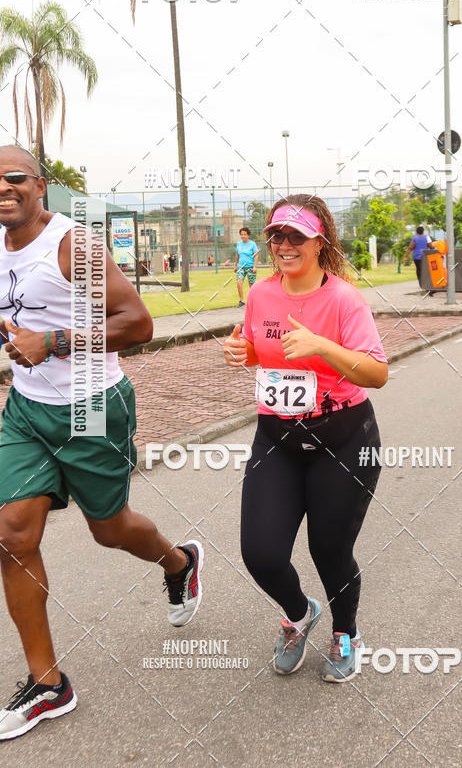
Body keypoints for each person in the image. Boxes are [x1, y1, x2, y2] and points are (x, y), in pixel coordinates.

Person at [0, 146, 203, 741]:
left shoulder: (72, 244)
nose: (2, 189)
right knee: (11, 532)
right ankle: (47, 684)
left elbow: (138, 324)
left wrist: (55, 342)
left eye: (14, 178)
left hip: (92, 406)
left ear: (40, 185)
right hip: (28, 408)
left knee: (109, 528)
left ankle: (179, 562)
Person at [223, 194, 388, 683]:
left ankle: (346, 631)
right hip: (277, 436)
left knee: (329, 550)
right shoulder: (261, 294)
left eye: (297, 236)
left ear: (320, 242)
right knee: (261, 552)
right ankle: (298, 612)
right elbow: (263, 353)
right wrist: (243, 352)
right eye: (277, 235)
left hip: (343, 438)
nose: (284, 244)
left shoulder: (343, 299)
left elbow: (377, 372)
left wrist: (322, 345)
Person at [233, 226, 259, 307]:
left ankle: (253, 301)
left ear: (248, 235)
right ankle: (241, 300)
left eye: (245, 234)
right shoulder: (239, 244)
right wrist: (235, 265)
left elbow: (256, 255)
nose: (243, 236)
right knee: (239, 282)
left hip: (251, 267)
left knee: (251, 285)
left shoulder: (252, 244)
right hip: (241, 267)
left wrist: (255, 266)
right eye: (241, 234)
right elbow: (237, 255)